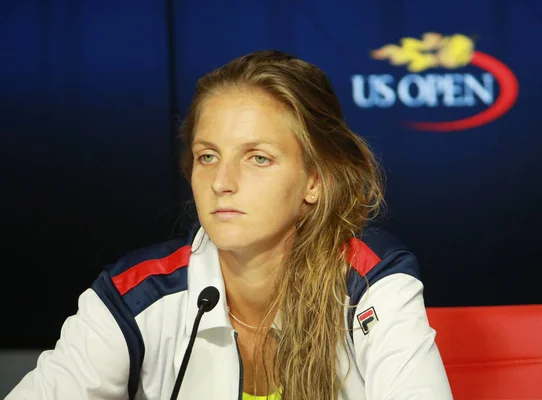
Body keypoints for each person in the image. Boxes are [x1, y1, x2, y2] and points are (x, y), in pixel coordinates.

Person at [7, 50, 453, 399]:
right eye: (208, 156)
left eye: (257, 158)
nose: (222, 182)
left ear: (313, 181)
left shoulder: (371, 281)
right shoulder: (135, 294)